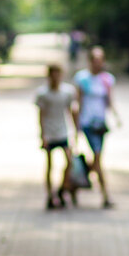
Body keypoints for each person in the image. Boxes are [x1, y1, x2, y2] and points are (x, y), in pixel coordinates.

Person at [73, 46, 121, 208]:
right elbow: (77, 103)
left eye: (101, 60)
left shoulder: (107, 79)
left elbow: (110, 100)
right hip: (87, 123)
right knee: (98, 158)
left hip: (101, 124)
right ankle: (105, 195)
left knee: (97, 159)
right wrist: (76, 126)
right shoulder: (82, 78)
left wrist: (116, 116)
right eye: (95, 60)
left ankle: (72, 183)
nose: (98, 64)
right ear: (90, 61)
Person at [34, 63, 78, 209]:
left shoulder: (67, 91)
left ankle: (62, 190)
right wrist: (42, 134)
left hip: (63, 131)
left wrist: (75, 131)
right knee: (49, 165)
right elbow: (41, 115)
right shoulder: (43, 93)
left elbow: (70, 111)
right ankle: (50, 195)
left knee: (69, 162)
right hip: (49, 132)